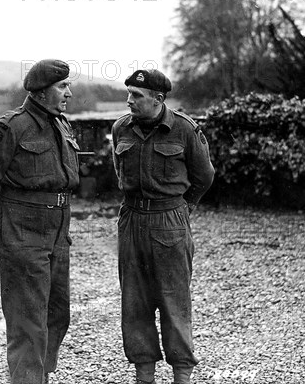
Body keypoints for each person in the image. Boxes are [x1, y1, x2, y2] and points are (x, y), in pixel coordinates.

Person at [0, 59, 80, 384]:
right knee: (27, 323)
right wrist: (2, 218)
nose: (69, 93)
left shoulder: (60, 124)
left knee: (57, 315)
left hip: (58, 234)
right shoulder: (11, 127)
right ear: (42, 92)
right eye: (62, 87)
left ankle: (37, 379)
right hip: (24, 235)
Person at [111, 69, 215, 384]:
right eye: (128, 93)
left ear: (158, 99)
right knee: (135, 301)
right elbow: (119, 172)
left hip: (170, 220)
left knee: (174, 301)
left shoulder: (184, 129)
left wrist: (184, 207)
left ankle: (182, 374)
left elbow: (204, 175)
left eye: (137, 96)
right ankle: (144, 374)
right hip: (132, 220)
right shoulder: (120, 129)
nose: (129, 101)